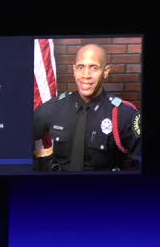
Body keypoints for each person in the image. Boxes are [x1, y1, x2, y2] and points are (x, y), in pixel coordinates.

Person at [32, 43, 141, 172]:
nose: (86, 75)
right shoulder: (54, 108)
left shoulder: (124, 114)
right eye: (80, 67)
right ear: (74, 70)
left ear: (105, 72)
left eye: (94, 68)